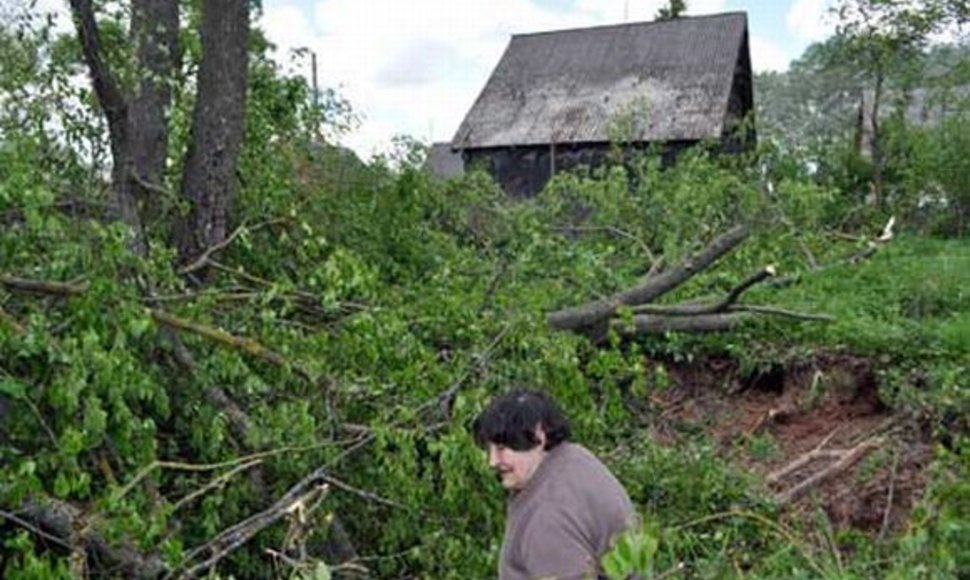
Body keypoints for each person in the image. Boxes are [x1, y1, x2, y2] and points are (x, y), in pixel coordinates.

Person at [473, 388, 636, 580]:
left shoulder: (547, 516)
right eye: (489, 448)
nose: (492, 461)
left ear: (538, 436)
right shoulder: (574, 458)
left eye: (502, 448)